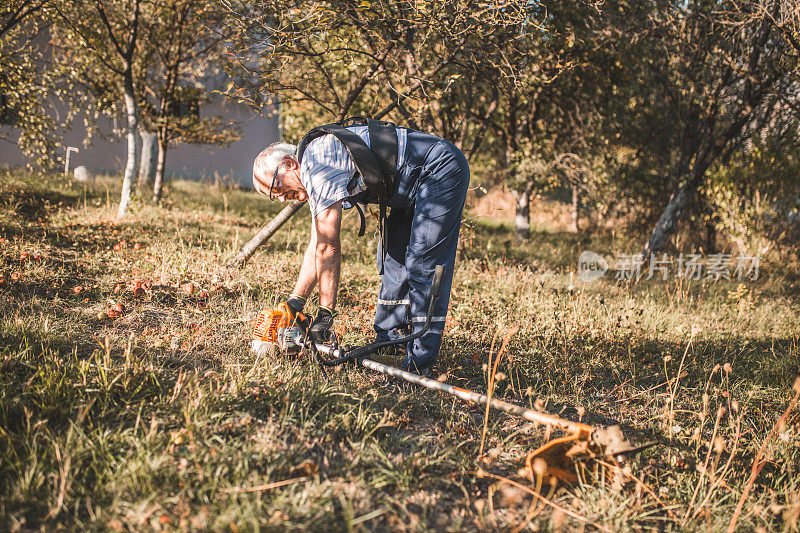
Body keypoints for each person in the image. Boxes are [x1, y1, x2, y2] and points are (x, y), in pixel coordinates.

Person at [252, 119, 469, 377]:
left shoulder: (317, 163)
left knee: (423, 263)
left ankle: (420, 365)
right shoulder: (313, 164)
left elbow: (328, 247)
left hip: (437, 170)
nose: (278, 197)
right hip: (404, 183)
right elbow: (317, 244)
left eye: (276, 187)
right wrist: (295, 303)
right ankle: (391, 343)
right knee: (394, 260)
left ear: (289, 164)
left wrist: (325, 314)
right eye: (271, 195)